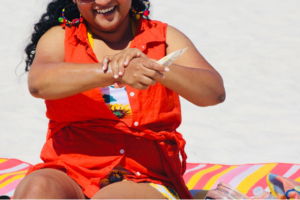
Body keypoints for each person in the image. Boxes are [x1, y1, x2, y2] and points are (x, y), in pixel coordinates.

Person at [14, 0, 225, 199]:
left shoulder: (162, 36)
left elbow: (214, 93)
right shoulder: (60, 37)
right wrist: (115, 72)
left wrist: (151, 66)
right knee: (38, 188)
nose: (103, 2)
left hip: (144, 176)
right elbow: (38, 83)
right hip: (70, 170)